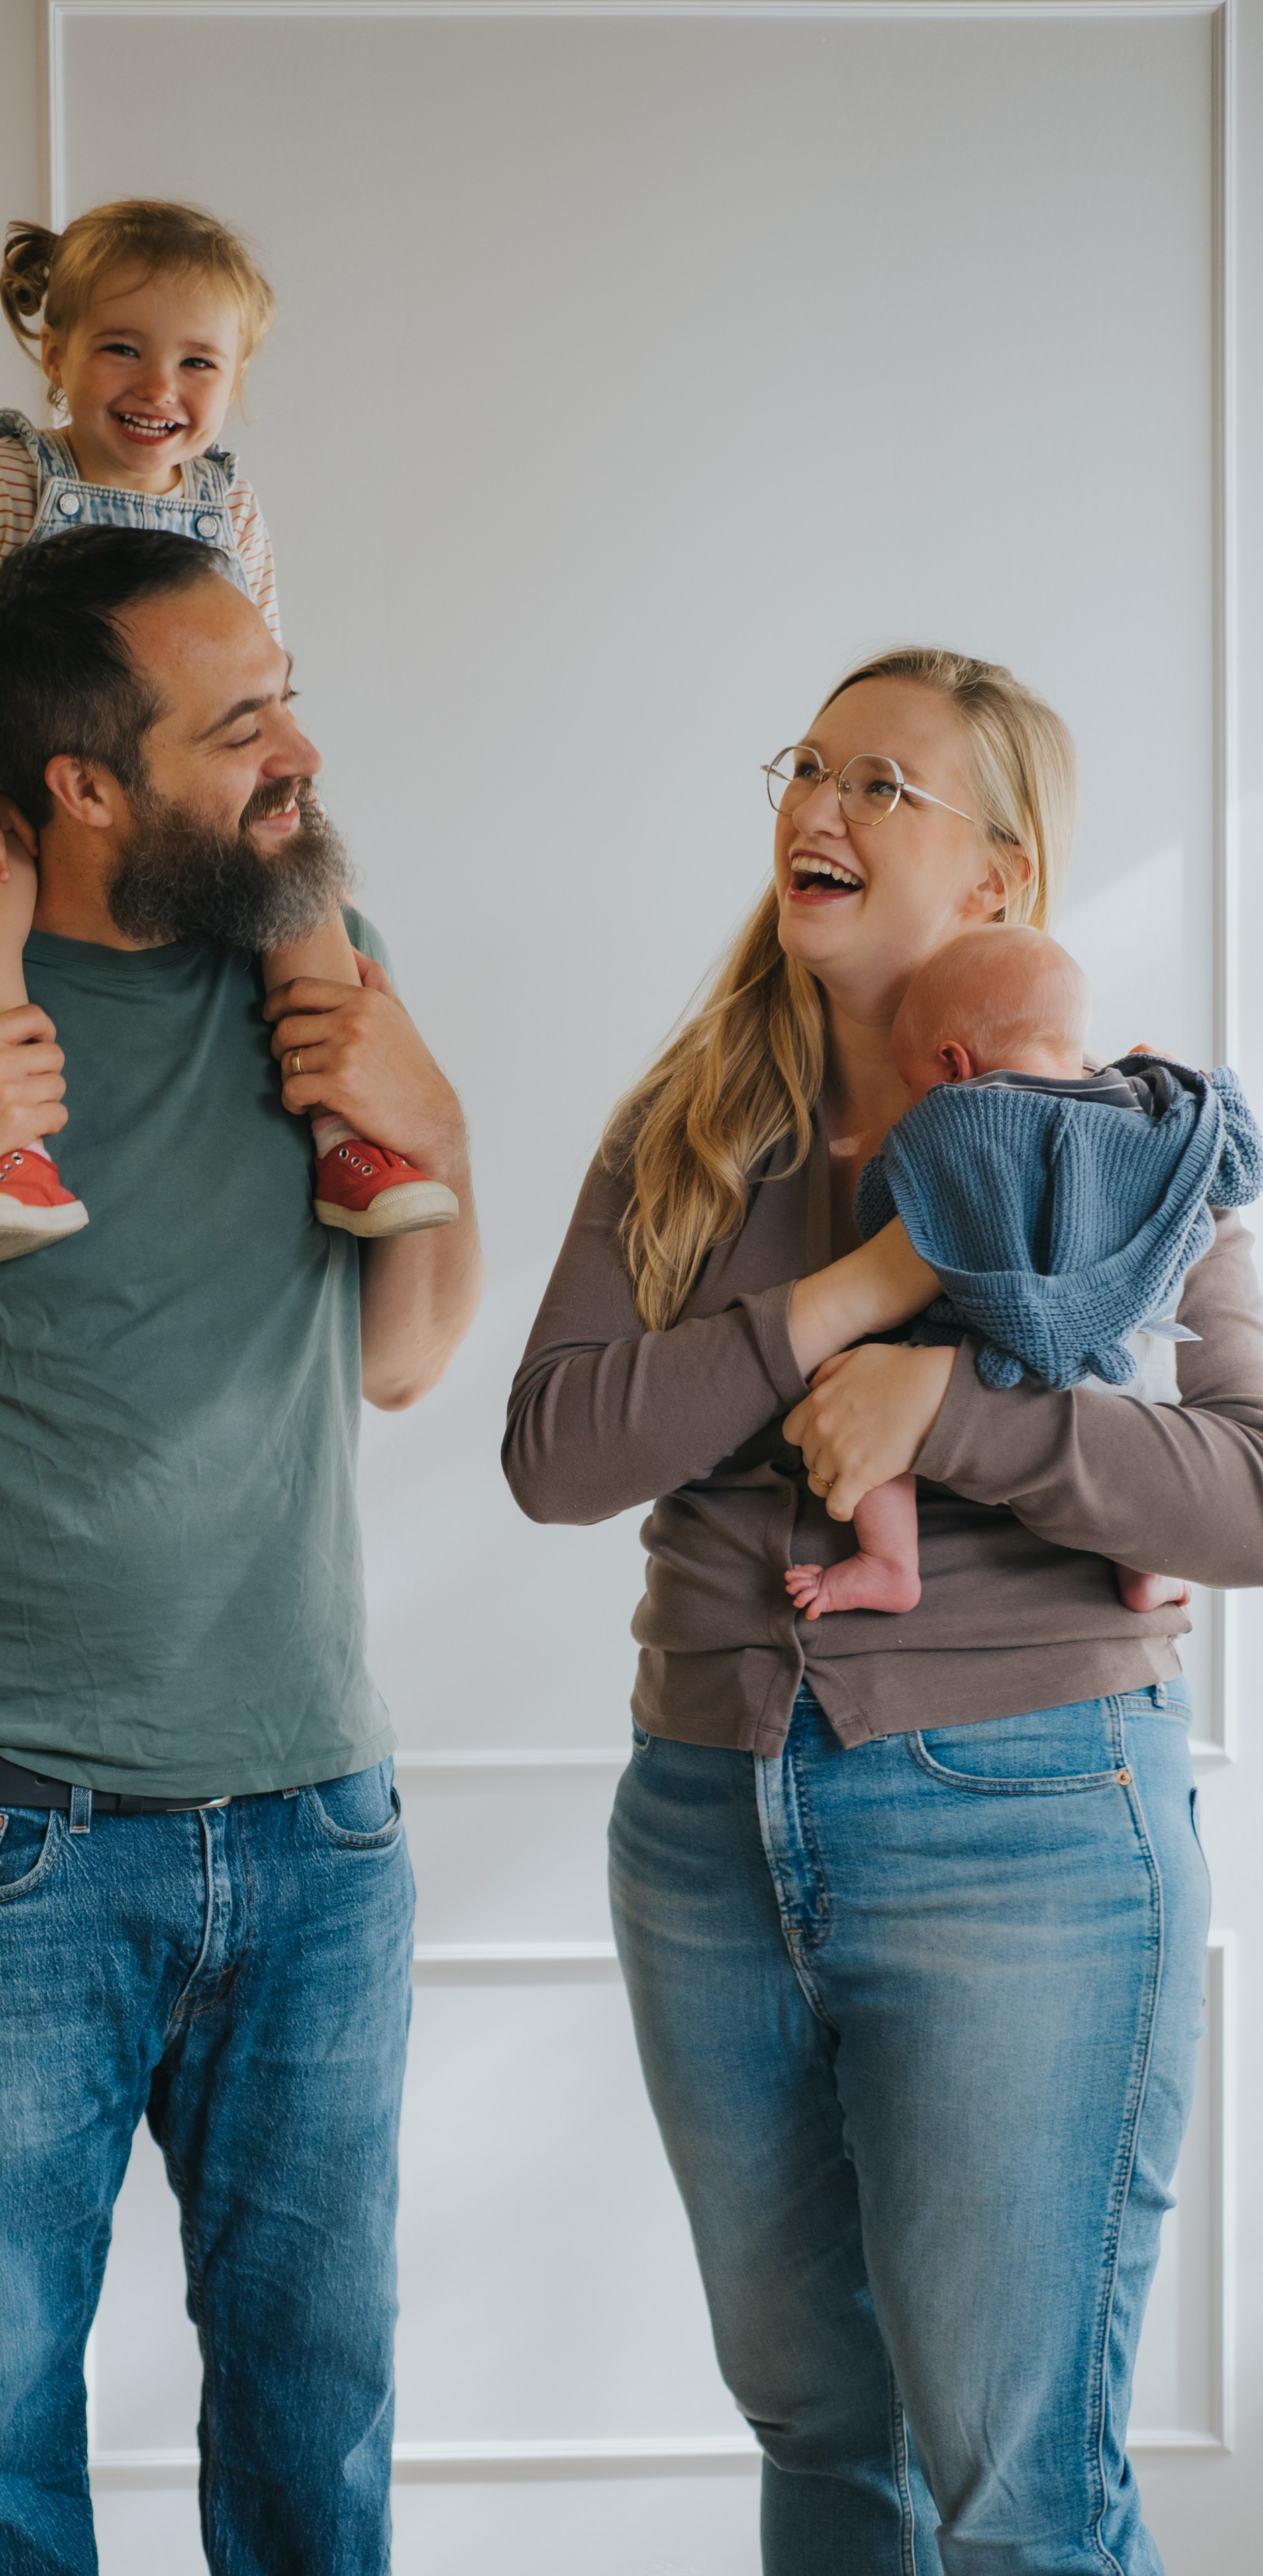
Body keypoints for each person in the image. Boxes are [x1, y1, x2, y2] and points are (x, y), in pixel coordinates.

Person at [0, 525, 482, 2576]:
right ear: (86, 787)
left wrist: (436, 1124)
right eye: (239, 726)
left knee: (320, 2424)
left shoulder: (317, 958)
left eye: (282, 688)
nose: (296, 748)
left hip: (315, 1823)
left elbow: (403, 1355)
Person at [503, 646, 1262, 2575]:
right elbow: (558, 1452)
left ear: (1000, 878)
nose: (816, 808)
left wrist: (965, 1412)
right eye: (807, 766)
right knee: (825, 2436)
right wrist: (842, 1307)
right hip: (703, 1829)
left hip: (1029, 1829)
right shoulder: (682, 1129)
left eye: (883, 784)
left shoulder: (1133, 1147)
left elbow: (1255, 1483)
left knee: (1018, 2493)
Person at [0, 195, 456, 1267]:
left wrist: (264, 771)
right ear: (52, 351)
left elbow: (259, 666)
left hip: (184, 801)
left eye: (200, 364)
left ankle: (348, 1135)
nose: (159, 388)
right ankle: (3, 1154)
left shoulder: (228, 509)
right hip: (15, 794)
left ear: (236, 379)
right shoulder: (3, 479)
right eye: (121, 350)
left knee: (303, 891)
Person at [782, 922, 1262, 1620]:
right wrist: (1199, 1090)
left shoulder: (953, 1123)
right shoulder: (1152, 1109)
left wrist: (887, 1156)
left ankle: (890, 1563)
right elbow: (1239, 1168)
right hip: (1129, 1367)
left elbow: (882, 1205)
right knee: (1142, 1463)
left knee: (861, 1392)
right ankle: (1145, 1571)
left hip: (987, 1356)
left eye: (916, 1085)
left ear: (952, 1064)